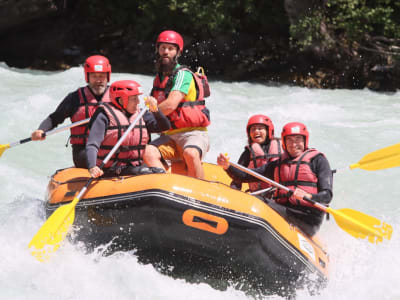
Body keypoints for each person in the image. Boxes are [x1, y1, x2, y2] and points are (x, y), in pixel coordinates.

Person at [217, 122, 333, 236]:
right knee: (255, 199)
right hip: (284, 210)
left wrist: (309, 197)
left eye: (298, 139)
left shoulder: (318, 160)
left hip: (308, 217)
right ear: (284, 143)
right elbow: (247, 176)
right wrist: (227, 167)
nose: (293, 144)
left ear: (305, 140)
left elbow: (327, 196)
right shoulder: (278, 164)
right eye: (289, 140)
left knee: (260, 202)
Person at [143, 30, 211, 179]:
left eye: (170, 48)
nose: (165, 52)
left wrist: (145, 116)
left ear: (178, 52)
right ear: (157, 50)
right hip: (170, 137)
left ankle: (200, 192)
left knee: (190, 153)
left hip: (193, 133)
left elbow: (170, 105)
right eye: (162, 48)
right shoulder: (159, 79)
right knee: (147, 151)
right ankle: (165, 185)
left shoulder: (182, 74)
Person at [31, 55, 112, 168]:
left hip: (111, 148)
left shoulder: (117, 96)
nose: (98, 80)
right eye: (94, 76)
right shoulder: (75, 98)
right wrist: (41, 130)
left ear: (107, 76)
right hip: (84, 150)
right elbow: (54, 118)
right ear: (87, 77)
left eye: (101, 76)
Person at [86, 80, 171, 178]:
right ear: (121, 100)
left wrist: (156, 111)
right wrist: (92, 166)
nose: (138, 102)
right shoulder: (103, 115)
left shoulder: (140, 115)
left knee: (157, 171)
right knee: (148, 171)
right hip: (111, 169)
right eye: (134, 98)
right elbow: (92, 144)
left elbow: (165, 127)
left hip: (134, 167)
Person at [230, 114, 283, 193]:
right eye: (253, 129)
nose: (256, 131)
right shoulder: (248, 152)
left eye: (260, 128)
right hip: (258, 195)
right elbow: (238, 176)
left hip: (280, 194)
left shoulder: (282, 146)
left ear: (268, 131)